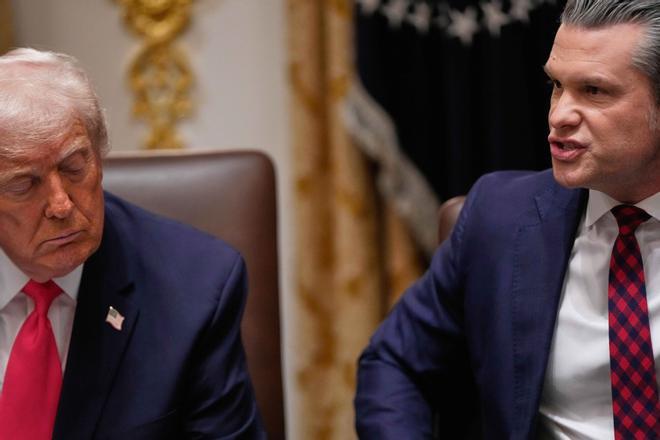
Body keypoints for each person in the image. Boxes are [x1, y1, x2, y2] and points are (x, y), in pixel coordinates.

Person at [355, 0, 660, 438]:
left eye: (594, 91)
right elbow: (394, 361)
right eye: (557, 85)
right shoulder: (497, 216)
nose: (559, 115)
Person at [0, 48, 265, 439]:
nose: (61, 205)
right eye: (24, 184)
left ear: (99, 156)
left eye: (74, 167)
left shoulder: (196, 290)